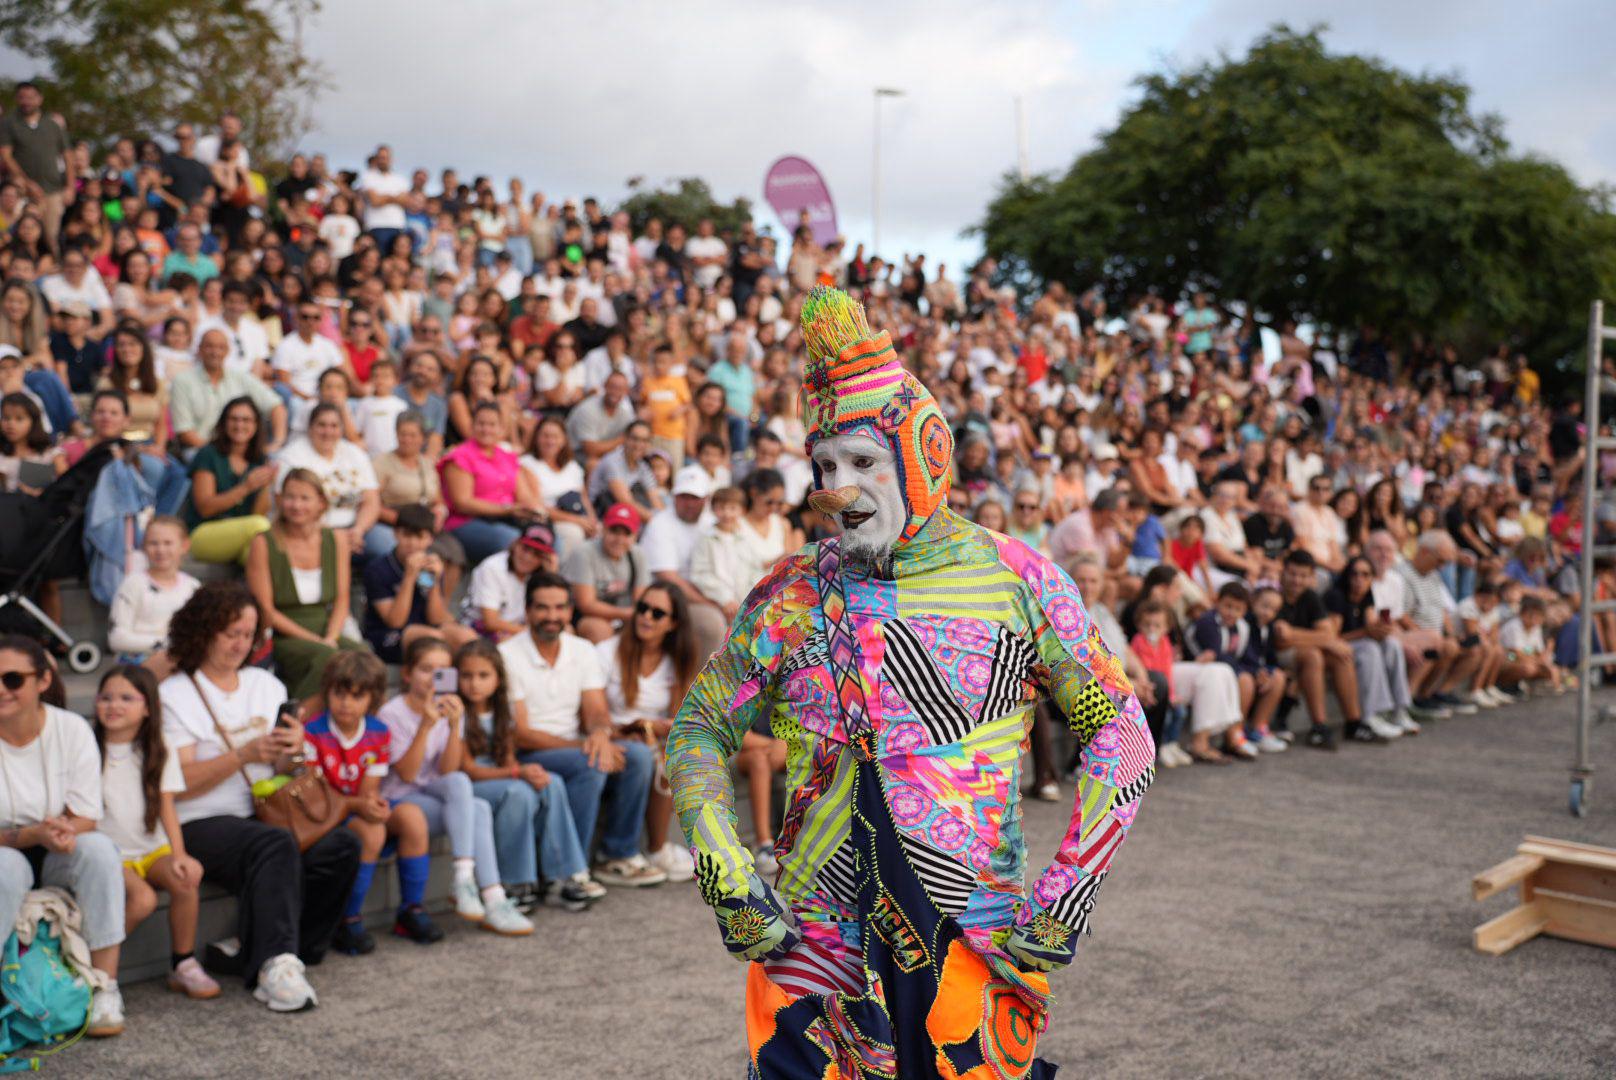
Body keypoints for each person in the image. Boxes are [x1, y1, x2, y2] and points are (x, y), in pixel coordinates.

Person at [668, 288, 1150, 1077]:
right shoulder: (789, 591)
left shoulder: (1015, 578)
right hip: (815, 949)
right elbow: (699, 728)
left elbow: (1120, 731)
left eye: (862, 461)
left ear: (927, 454)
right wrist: (721, 862)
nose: (837, 486)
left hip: (970, 935)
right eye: (825, 464)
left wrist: (1065, 896)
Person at [161, 583, 361, 1012]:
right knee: (273, 843)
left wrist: (294, 749)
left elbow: (283, 771)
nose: (240, 644)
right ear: (204, 630)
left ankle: (281, 953)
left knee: (341, 845)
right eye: (230, 632)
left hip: (263, 811)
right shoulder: (175, 693)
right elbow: (179, 783)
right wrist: (244, 754)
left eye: (248, 634)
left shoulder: (264, 684)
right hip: (198, 818)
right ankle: (271, 966)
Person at [499, 572, 666, 887]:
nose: (552, 616)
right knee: (591, 762)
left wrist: (600, 734)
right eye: (543, 608)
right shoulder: (508, 654)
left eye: (560, 608)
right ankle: (567, 870)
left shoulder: (582, 650)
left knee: (641, 756)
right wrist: (586, 745)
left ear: (570, 610)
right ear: (527, 610)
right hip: (528, 751)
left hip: (572, 745)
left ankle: (616, 855)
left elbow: (596, 711)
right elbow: (519, 733)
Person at [0, 634, 127, 1036]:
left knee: (99, 850)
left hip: (57, 846)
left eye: (13, 679)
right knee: (6, 866)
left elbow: (87, 812)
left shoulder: (70, 728)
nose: (1, 689)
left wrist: (60, 830)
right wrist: (33, 834)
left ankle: (105, 986)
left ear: (42, 680)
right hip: (8, 848)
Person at [377, 637, 534, 935]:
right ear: (408, 674)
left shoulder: (451, 708)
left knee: (474, 799)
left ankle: (485, 892)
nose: (434, 678)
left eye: (442, 671)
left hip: (433, 793)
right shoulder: (392, 713)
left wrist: (451, 727)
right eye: (426, 669)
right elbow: (408, 775)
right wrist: (425, 725)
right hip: (400, 799)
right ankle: (478, 888)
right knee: (476, 807)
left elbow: (447, 771)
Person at [300, 650, 442, 957]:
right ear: (328, 693)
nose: (346, 704)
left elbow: (369, 790)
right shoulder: (313, 731)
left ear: (373, 699)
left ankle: (410, 910)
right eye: (339, 694)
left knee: (413, 818)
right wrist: (360, 807)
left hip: (354, 805)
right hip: (324, 813)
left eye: (357, 696)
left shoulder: (378, 733)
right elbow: (316, 794)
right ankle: (346, 918)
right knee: (372, 832)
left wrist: (371, 805)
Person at [92, 664, 219, 1000]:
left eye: (126, 698)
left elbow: (165, 805)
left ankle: (183, 962)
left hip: (151, 849)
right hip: (112, 854)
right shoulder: (89, 747)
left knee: (186, 878)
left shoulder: (158, 746)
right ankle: (96, 968)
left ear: (147, 707)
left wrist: (179, 854)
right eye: (105, 697)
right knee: (143, 899)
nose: (113, 705)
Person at [453, 639, 604, 913]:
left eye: (483, 675)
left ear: (498, 679)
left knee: (551, 782)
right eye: (467, 676)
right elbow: (468, 770)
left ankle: (564, 875)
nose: (474, 684)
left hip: (500, 774)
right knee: (518, 792)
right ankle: (514, 882)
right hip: (471, 784)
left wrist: (527, 773)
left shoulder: (502, 713)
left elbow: (509, 759)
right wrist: (516, 773)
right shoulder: (457, 714)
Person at [595, 582, 699, 883]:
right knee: (654, 756)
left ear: (673, 623)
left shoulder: (675, 660)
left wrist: (659, 729)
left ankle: (658, 848)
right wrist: (641, 728)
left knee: (680, 753)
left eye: (657, 613)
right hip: (612, 738)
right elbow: (593, 715)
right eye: (642, 608)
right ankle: (635, 850)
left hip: (650, 741)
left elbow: (679, 719)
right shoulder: (607, 652)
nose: (646, 617)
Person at [245, 469, 367, 701]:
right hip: (285, 634)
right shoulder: (263, 542)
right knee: (326, 657)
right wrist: (317, 642)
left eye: (304, 498)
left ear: (321, 502)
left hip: (325, 627)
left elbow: (342, 598)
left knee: (363, 657)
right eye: (290, 497)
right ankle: (294, 717)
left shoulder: (337, 539)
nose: (296, 505)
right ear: (280, 500)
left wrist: (330, 636)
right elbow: (266, 610)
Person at [362, 503, 476, 662]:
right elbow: (395, 622)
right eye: (407, 535)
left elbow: (436, 618)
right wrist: (409, 576)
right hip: (386, 635)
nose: (413, 544)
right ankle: (438, 685)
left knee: (467, 638)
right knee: (434, 642)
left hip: (425, 627)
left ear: (430, 539)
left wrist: (435, 582)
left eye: (420, 537)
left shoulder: (430, 566)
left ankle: (451, 686)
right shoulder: (377, 569)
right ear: (396, 534)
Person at [1324, 556, 1419, 741]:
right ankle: (1370, 715)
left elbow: (1370, 627)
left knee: (1391, 644)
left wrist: (1381, 630)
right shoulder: (1336, 596)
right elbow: (1332, 638)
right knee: (1370, 649)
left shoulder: (1367, 596)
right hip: (1339, 646)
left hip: (1358, 643)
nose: (1359, 579)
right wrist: (1367, 632)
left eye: (1365, 575)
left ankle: (1399, 710)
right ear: (1347, 576)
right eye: (1355, 574)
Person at [1273, 549, 1360, 749]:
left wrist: (1295, 634)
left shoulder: (1310, 597)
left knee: (1341, 656)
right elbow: (1279, 641)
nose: (1296, 580)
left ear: (1311, 577)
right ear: (1283, 572)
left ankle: (1354, 723)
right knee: (1314, 656)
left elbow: (1327, 634)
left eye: (1303, 576)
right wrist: (1322, 640)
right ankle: (1319, 726)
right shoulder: (1273, 594)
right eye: (1292, 574)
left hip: (1297, 652)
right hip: (1275, 654)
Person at [1187, 582, 1289, 752]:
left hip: (1228, 668)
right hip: (1204, 669)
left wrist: (1259, 671)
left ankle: (1257, 729)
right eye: (1227, 606)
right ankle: (1234, 735)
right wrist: (1250, 672)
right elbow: (1217, 655)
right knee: (1245, 680)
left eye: (1237, 609)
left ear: (1244, 610)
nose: (1231, 613)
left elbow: (1246, 655)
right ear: (1217, 602)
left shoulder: (1242, 626)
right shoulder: (1208, 622)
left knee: (1276, 676)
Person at [642, 464, 727, 661]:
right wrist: (711, 603)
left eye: (695, 498)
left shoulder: (711, 522)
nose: (689, 503)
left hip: (708, 593)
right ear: (674, 497)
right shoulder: (660, 523)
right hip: (670, 599)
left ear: (705, 500)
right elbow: (668, 578)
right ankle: (702, 686)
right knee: (711, 622)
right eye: (684, 496)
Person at [441, 401, 542, 565]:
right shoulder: (460, 456)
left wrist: (534, 509)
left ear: (501, 429)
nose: (486, 429)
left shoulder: (507, 456)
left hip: (506, 518)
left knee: (544, 537)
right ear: (472, 426)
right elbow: (462, 503)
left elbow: (523, 495)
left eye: (492, 424)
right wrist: (507, 510)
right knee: (512, 541)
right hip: (467, 521)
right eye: (481, 423)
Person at [181, 395, 276, 563]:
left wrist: (266, 485)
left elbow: (257, 513)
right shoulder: (208, 454)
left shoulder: (260, 460)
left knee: (257, 553)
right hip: (203, 533)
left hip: (241, 533)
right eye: (234, 419)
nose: (240, 425)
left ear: (256, 425)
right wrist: (246, 487)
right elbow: (205, 508)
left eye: (246, 420)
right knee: (260, 528)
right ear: (224, 423)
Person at [275, 402, 380, 554]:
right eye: (321, 425)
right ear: (310, 428)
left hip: (355, 528)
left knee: (386, 545)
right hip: (310, 530)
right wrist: (333, 536)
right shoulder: (291, 457)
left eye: (334, 426)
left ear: (342, 429)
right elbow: (283, 502)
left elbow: (372, 500)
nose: (328, 431)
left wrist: (358, 530)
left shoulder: (356, 453)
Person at [170, 328, 287, 455]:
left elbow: (276, 406)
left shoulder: (240, 378)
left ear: (227, 351)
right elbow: (184, 432)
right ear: (199, 349)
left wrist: (277, 442)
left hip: (240, 451)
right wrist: (224, 454)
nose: (215, 352)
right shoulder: (182, 381)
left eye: (220, 347)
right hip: (200, 450)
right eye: (209, 346)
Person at [107, 515, 199, 674]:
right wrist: (166, 645)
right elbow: (116, 638)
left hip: (180, 659)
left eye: (168, 543)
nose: (160, 550)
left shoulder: (193, 587)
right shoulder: (133, 584)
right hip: (138, 664)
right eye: (153, 543)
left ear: (184, 546)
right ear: (144, 546)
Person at [560, 503, 647, 643]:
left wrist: (635, 615)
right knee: (599, 630)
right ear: (603, 529)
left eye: (626, 534)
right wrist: (629, 614)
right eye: (614, 531)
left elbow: (641, 599)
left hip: (623, 616)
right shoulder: (584, 553)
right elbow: (586, 604)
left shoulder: (638, 555)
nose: (619, 539)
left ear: (635, 536)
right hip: (582, 615)